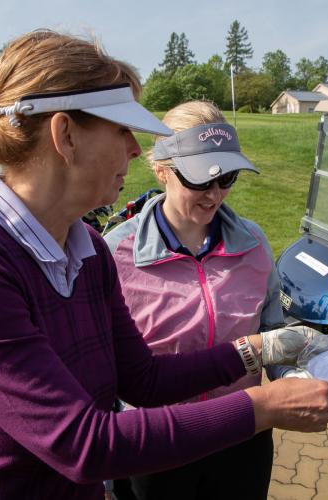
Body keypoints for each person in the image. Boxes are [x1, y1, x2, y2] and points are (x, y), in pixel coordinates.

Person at [0, 30, 328, 499]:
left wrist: (262, 347)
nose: (136, 150)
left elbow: (143, 379)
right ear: (65, 135)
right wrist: (264, 406)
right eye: (121, 130)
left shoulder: (87, 250)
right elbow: (84, 445)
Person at [104, 100, 307, 500]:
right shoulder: (115, 253)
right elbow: (101, 368)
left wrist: (292, 377)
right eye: (199, 179)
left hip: (243, 432)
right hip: (157, 441)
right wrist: (104, 475)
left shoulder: (254, 242)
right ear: (161, 170)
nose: (215, 194)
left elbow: (271, 330)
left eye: (227, 177)